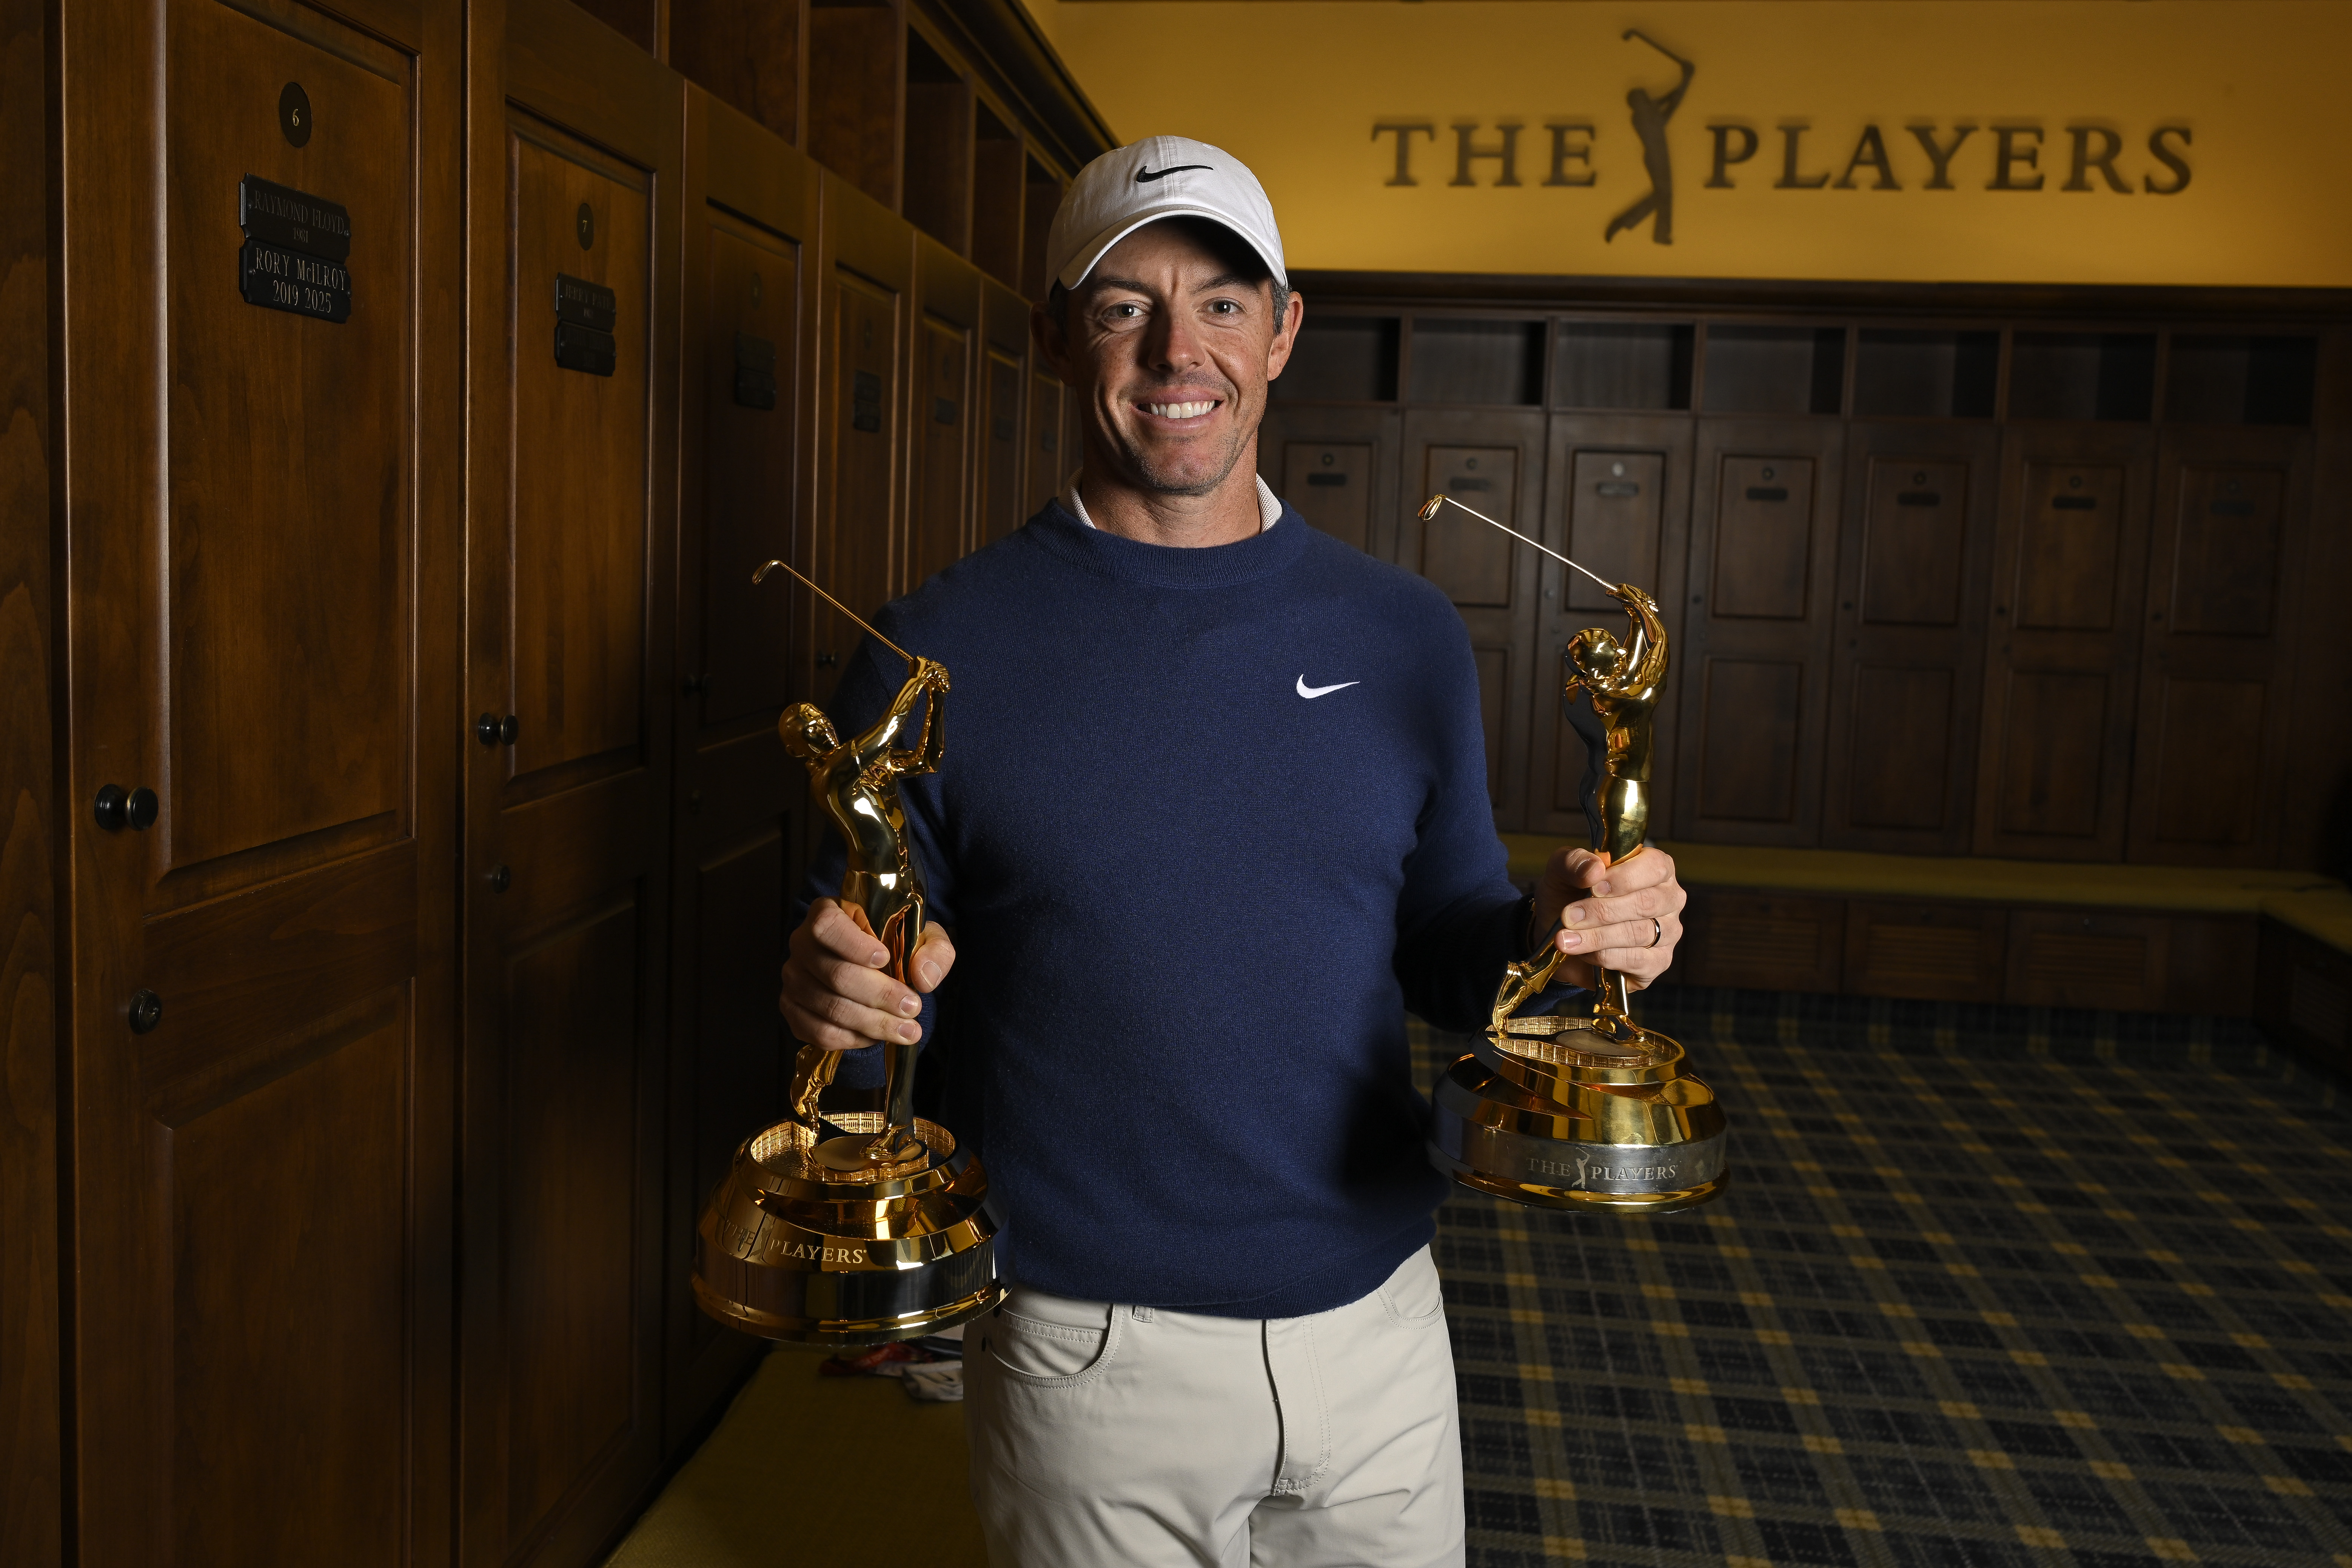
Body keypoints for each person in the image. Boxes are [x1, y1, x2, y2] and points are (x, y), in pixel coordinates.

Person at [775, 136, 1688, 1568]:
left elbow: (1449, 942)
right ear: (1057, 334)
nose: (1175, 348)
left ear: (1282, 332)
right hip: (1090, 1347)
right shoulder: (929, 654)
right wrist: (843, 1000)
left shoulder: (1404, 633)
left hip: (1380, 1323)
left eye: (1220, 300)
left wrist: (1562, 932)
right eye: (1124, 303)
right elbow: (879, 1013)